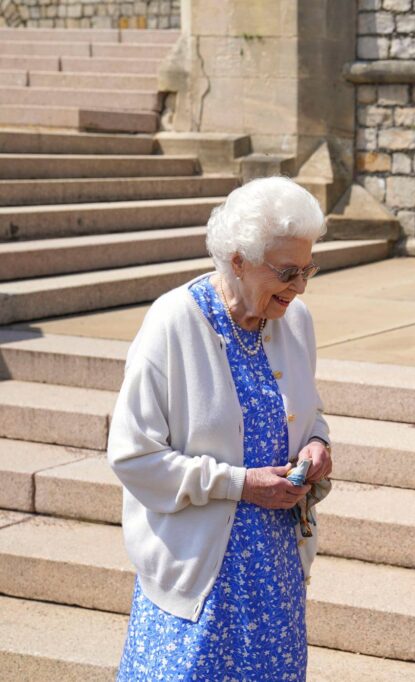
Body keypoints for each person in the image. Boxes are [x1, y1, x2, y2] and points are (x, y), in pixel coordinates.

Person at [108, 176, 333, 681]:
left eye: (308, 268)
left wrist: (317, 443)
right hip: (198, 580)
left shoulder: (295, 321)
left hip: (275, 572)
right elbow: (132, 456)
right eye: (287, 271)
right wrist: (239, 483)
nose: (299, 286)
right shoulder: (173, 323)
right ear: (237, 259)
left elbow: (307, 410)